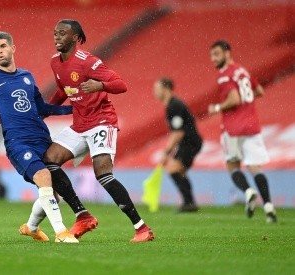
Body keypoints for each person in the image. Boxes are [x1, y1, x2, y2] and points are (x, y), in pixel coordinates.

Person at [0, 31, 79, 243]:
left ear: (12, 48)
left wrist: (72, 110)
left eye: (3, 46)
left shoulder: (27, 77)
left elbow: (42, 108)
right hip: (18, 143)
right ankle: (61, 232)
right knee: (44, 177)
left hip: (42, 139)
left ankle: (30, 227)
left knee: (51, 194)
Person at [40, 19, 155, 243]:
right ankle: (82, 215)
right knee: (49, 160)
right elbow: (64, 90)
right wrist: (45, 111)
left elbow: (121, 84)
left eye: (62, 34)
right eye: (55, 33)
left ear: (74, 37)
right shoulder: (55, 63)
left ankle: (142, 228)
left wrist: (100, 85)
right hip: (79, 124)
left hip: (102, 122)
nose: (56, 37)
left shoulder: (87, 61)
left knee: (103, 174)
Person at [208, 40, 277, 223]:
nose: (213, 59)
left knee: (232, 165)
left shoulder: (224, 76)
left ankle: (248, 191)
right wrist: (247, 104)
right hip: (252, 124)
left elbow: (234, 99)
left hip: (233, 127)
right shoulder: (243, 71)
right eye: (211, 55)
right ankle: (269, 206)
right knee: (255, 166)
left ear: (227, 53)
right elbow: (260, 91)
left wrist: (216, 108)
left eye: (216, 54)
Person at [153, 77, 203, 213]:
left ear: (166, 89)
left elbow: (178, 132)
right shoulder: (172, 105)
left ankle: (189, 203)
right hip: (186, 143)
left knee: (173, 169)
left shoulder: (174, 105)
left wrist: (166, 152)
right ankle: (190, 202)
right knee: (177, 170)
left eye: (157, 89)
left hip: (190, 142)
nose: (155, 92)